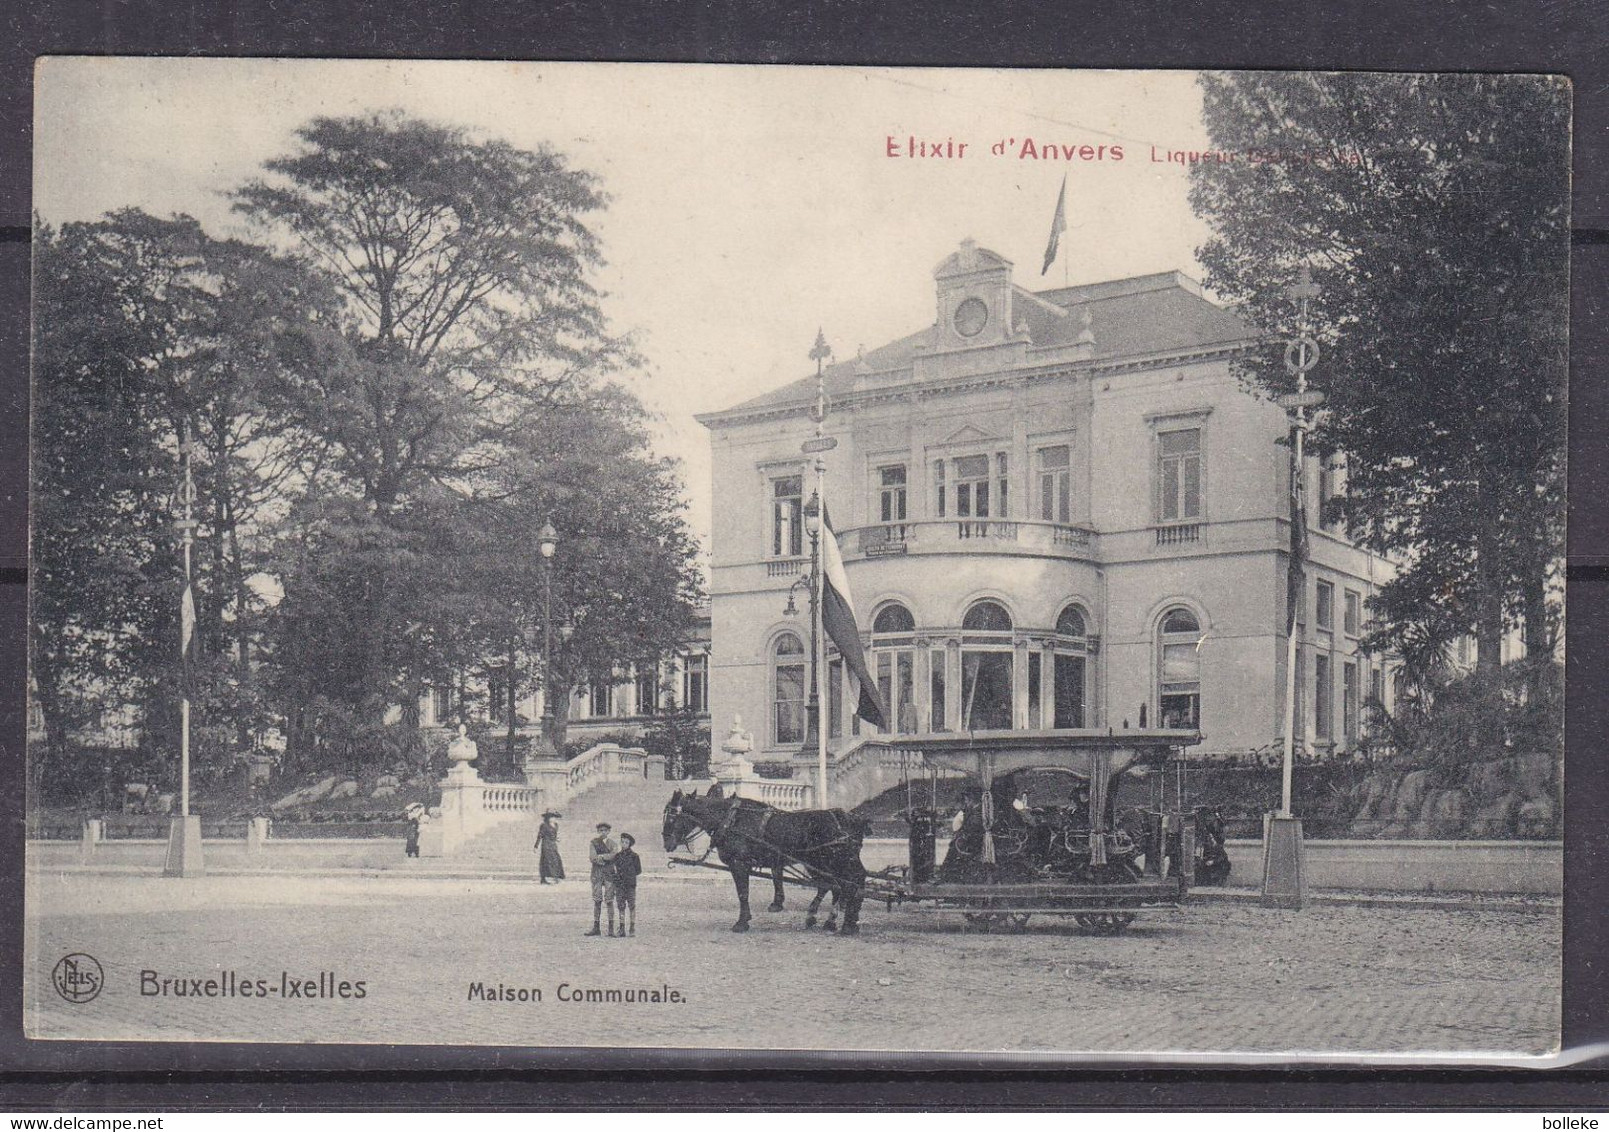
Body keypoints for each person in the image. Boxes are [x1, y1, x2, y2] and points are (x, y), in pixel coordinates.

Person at [585, 822, 619, 937]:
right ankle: (596, 927)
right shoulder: (593, 843)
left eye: (605, 830)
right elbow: (593, 857)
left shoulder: (613, 843)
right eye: (601, 830)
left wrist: (602, 857)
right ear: (598, 831)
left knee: (609, 901)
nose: (603, 832)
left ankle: (610, 929)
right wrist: (604, 858)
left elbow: (614, 855)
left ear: (609, 831)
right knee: (597, 900)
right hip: (597, 874)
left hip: (609, 874)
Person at [612, 833, 643, 936]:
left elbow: (638, 870)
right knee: (621, 906)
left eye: (626, 842)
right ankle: (621, 928)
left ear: (630, 844)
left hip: (630, 885)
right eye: (622, 842)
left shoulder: (635, 856)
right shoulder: (617, 856)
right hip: (620, 885)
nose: (624, 844)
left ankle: (632, 928)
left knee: (631, 905)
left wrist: (629, 875)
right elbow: (615, 869)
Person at [535, 811, 565, 884]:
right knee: (546, 861)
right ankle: (544, 879)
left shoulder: (556, 825)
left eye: (554, 817)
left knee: (556, 860)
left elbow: (554, 835)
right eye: (551, 817)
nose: (553, 818)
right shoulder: (544, 825)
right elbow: (540, 836)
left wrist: (556, 839)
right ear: (548, 818)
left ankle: (556, 877)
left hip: (553, 844)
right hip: (546, 844)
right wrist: (536, 846)